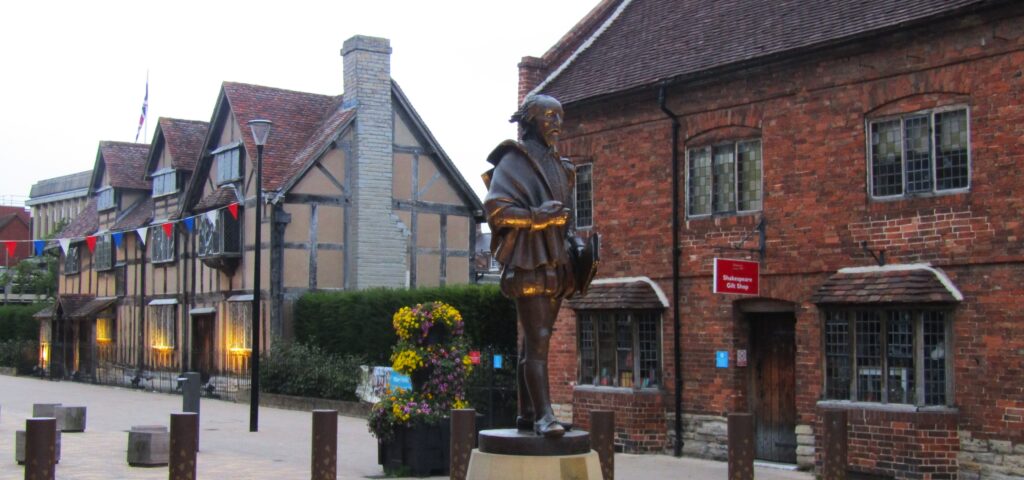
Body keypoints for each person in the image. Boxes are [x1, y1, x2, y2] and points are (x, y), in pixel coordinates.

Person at [483, 94, 580, 438]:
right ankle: (544, 416)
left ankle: (527, 413)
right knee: (538, 339)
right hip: (529, 259)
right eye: (548, 116)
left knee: (535, 342)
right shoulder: (513, 159)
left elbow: (566, 217)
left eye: (560, 116)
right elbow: (495, 210)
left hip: (555, 258)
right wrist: (536, 217)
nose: (556, 123)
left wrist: (574, 239)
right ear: (528, 121)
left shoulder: (561, 165)